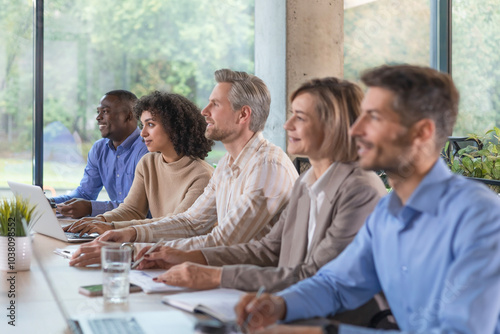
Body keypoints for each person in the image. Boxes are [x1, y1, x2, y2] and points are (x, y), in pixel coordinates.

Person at [235, 64, 500, 334]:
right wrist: (279, 305)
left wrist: (325, 333)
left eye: (373, 118)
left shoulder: (480, 217)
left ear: (422, 132)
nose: (354, 130)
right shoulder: (387, 212)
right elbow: (336, 284)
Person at [134, 78, 387, 302]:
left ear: (333, 125)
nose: (287, 125)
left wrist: (215, 275)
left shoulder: (360, 189)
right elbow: (268, 249)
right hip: (287, 302)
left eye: (299, 117)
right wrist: (180, 256)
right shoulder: (307, 181)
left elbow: (315, 275)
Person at [69, 69, 298, 267]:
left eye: (215, 104)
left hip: (258, 291)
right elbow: (191, 222)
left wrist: (129, 251)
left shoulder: (267, 168)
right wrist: (130, 233)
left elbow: (223, 241)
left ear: (243, 114)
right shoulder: (228, 164)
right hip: (231, 278)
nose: (204, 111)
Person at [64, 91, 214, 236]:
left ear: (174, 126)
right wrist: (99, 220)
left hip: (185, 253)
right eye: (142, 125)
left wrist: (111, 227)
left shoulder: (202, 175)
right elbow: (132, 210)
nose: (143, 133)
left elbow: (175, 224)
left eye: (150, 124)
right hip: (157, 246)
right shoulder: (148, 162)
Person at [52, 90, 148, 218]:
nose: (98, 117)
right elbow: (85, 194)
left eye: (105, 111)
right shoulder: (99, 149)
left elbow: (142, 209)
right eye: (98, 112)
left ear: (128, 116)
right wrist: (49, 203)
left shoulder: (147, 149)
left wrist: (91, 207)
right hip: (111, 226)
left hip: (141, 231)